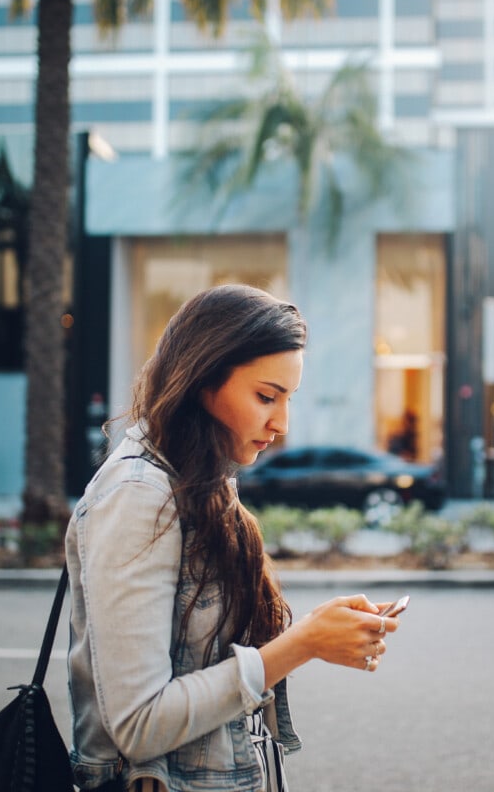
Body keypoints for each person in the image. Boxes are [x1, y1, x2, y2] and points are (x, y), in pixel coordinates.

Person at [65, 284, 403, 792]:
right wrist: (305, 642)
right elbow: (139, 724)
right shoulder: (140, 495)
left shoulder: (200, 481)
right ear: (202, 381)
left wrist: (317, 633)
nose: (281, 422)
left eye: (287, 399)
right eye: (266, 396)